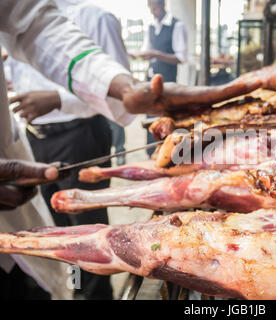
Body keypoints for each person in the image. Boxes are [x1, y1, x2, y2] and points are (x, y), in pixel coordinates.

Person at [6, 0, 134, 299]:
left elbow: (120, 89)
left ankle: (96, 294)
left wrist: (58, 99)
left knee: (88, 230)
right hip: (35, 138)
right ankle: (76, 289)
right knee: (57, 229)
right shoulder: (13, 18)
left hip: (80, 135)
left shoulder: (96, 17)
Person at [130, 0, 187, 156]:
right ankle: (151, 153)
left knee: (165, 116)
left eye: (154, 6)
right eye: (150, 7)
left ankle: (168, 153)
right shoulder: (151, 26)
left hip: (167, 81)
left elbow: (181, 57)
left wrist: (156, 54)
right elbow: (147, 50)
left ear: (162, 5)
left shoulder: (176, 25)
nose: (152, 10)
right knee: (151, 115)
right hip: (151, 78)